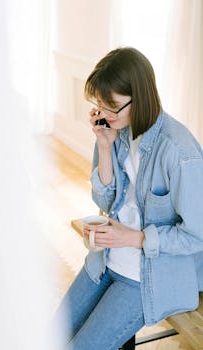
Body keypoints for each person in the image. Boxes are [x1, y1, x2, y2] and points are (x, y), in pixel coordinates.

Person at [53, 47, 203, 350]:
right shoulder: (116, 132)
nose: (105, 114)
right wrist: (104, 148)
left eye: (113, 107)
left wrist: (132, 238)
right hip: (105, 260)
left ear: (140, 97)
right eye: (100, 105)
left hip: (146, 278)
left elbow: (197, 235)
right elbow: (107, 203)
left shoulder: (178, 150)